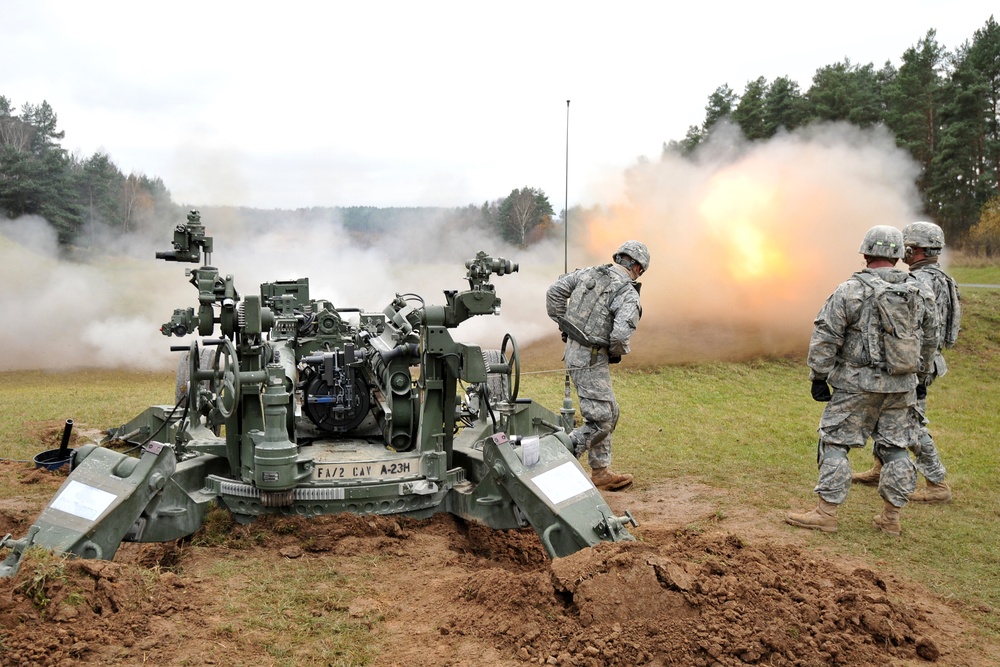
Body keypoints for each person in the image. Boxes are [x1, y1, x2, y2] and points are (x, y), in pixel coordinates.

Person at [785, 225, 937, 536]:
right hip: (902, 384)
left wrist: (819, 375)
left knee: (835, 443)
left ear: (866, 253)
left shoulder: (850, 290)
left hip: (856, 384)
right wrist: (921, 376)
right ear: (898, 255)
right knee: (897, 448)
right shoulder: (921, 291)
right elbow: (929, 339)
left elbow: (826, 335)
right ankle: (890, 519)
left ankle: (826, 513)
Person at [853, 221, 960, 502]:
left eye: (908, 247)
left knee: (911, 422)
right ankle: (881, 467)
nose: (904, 253)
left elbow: (922, 329)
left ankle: (937, 484)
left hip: (915, 362)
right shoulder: (941, 278)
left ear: (916, 249)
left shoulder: (921, 282)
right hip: (922, 361)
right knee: (888, 414)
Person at [545, 241, 648, 491]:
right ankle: (554, 458)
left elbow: (554, 292)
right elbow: (621, 335)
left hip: (576, 352)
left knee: (610, 411)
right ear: (636, 266)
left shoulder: (590, 272)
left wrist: (565, 324)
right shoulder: (627, 292)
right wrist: (615, 353)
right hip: (591, 358)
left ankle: (601, 472)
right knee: (601, 421)